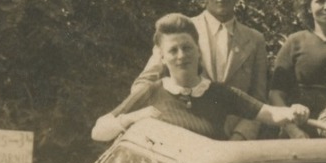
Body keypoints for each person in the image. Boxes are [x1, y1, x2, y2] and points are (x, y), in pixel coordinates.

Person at [93, 15, 307, 142]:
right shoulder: (152, 92)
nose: (181, 56)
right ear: (162, 57)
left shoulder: (219, 93)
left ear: (198, 50)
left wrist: (293, 111)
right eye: (173, 50)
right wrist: (132, 118)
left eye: (187, 48)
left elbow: (269, 114)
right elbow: (99, 131)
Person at [129, 0, 271, 139]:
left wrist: (241, 135)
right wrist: (153, 121)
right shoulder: (181, 32)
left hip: (235, 142)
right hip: (184, 134)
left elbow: (258, 97)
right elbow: (145, 82)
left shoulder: (255, 39)